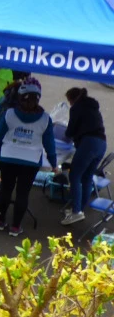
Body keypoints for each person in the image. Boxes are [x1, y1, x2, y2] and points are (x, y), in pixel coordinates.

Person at [0, 81, 57, 237]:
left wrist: (0, 151)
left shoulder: (9, 114)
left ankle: (0, 221)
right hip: (31, 161)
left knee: (6, 189)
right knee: (23, 193)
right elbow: (50, 145)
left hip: (8, 157)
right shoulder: (45, 119)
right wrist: (54, 164)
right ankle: (15, 227)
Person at [61, 87, 107, 226]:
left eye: (69, 101)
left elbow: (70, 131)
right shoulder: (92, 107)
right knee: (87, 177)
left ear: (72, 99)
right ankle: (80, 209)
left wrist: (65, 134)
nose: (70, 104)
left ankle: (76, 212)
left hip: (88, 143)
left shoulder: (77, 107)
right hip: (101, 144)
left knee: (75, 175)